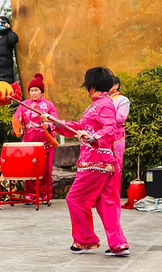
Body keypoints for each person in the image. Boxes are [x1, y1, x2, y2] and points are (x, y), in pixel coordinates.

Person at [41, 67, 129, 256]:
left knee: (75, 199)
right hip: (103, 162)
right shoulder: (96, 105)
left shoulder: (103, 105)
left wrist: (92, 137)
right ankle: (118, 244)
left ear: (92, 85)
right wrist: (54, 123)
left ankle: (84, 240)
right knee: (106, 203)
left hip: (94, 161)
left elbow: (110, 129)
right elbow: (79, 127)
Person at [14, 73, 57, 200]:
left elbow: (55, 121)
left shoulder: (49, 105)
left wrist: (48, 126)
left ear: (41, 91)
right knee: (29, 167)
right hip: (29, 140)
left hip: (45, 140)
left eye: (36, 90)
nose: (33, 93)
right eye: (31, 90)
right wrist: (18, 128)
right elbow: (16, 119)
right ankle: (30, 193)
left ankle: (45, 193)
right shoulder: (24, 104)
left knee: (45, 168)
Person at [109, 76, 129, 194]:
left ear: (117, 85)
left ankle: (113, 195)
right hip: (102, 137)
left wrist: (104, 120)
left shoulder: (123, 100)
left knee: (115, 166)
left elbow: (121, 118)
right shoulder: (102, 100)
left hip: (116, 136)